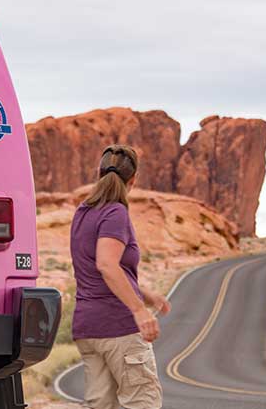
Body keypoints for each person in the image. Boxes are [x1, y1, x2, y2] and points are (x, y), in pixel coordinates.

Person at [71, 145, 170, 409]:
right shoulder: (115, 212)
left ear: (98, 172)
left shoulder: (83, 212)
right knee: (141, 402)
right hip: (119, 328)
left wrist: (147, 295)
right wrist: (139, 310)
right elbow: (106, 264)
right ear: (133, 180)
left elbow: (97, 267)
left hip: (88, 328)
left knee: (101, 406)